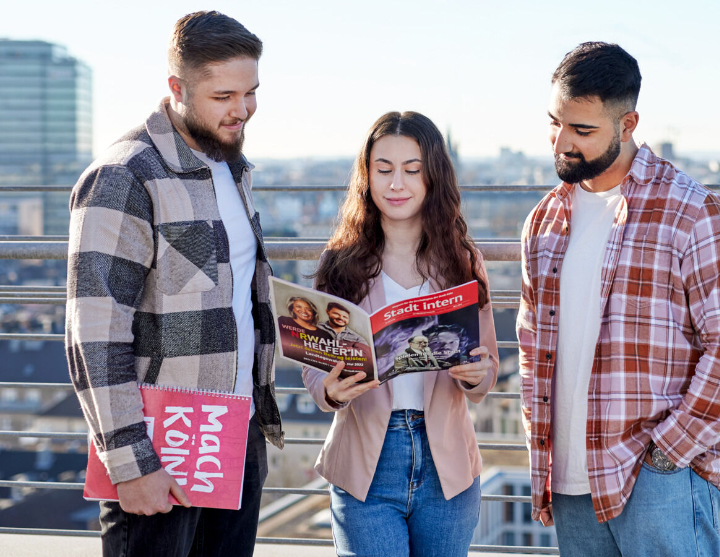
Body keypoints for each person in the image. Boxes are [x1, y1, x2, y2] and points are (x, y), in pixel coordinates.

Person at [516, 42, 720, 557]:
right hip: (568, 484)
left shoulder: (694, 212)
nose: (561, 143)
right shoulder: (542, 220)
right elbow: (530, 346)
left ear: (628, 124)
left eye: (582, 130)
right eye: (555, 123)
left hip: (657, 483)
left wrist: (665, 456)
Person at [64, 11, 282, 557]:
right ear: (176, 89)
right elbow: (94, 335)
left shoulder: (231, 168)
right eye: (223, 95)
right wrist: (131, 462)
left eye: (251, 92)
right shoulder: (124, 176)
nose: (242, 109)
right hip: (161, 447)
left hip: (232, 434)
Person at [302, 111, 498, 557]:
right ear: (366, 176)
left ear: (432, 178)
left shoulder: (462, 261)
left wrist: (475, 374)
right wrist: (331, 390)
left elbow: (488, 375)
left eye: (412, 171)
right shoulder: (340, 263)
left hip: (446, 464)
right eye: (383, 170)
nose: (396, 184)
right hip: (367, 464)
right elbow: (315, 377)